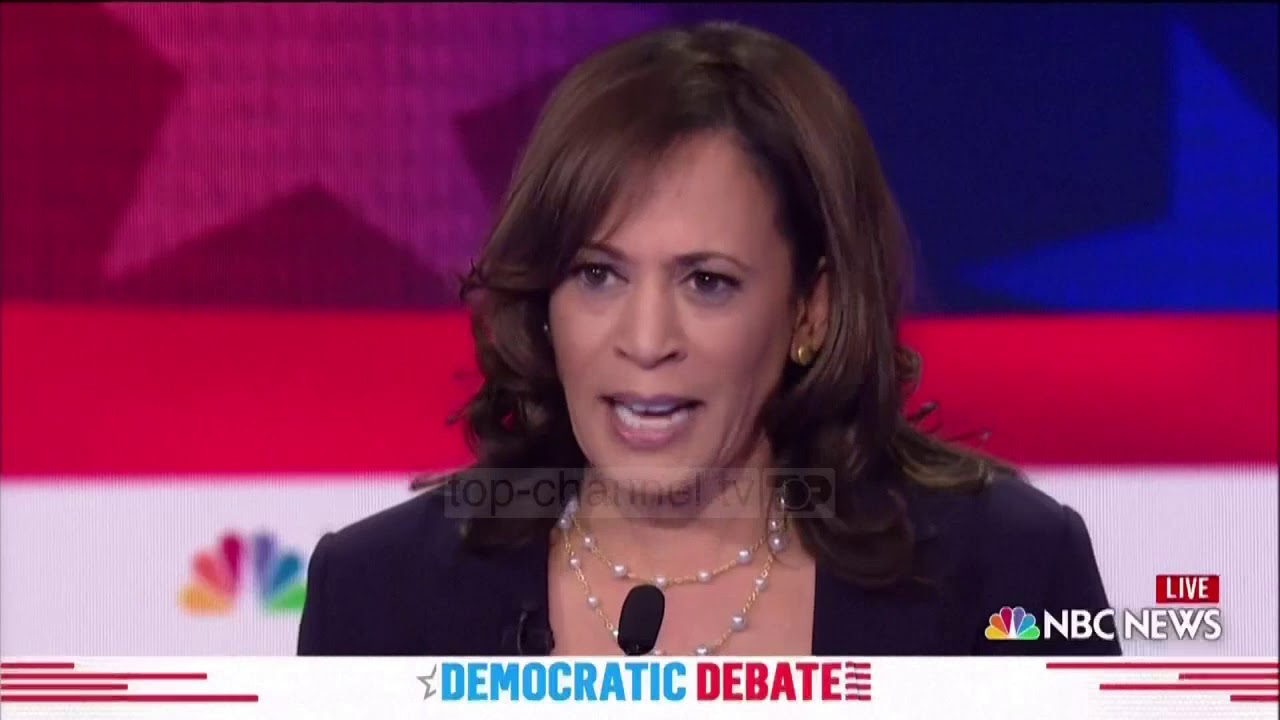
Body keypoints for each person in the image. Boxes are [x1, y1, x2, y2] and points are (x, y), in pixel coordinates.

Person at [297, 21, 1119, 657]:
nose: (646, 339)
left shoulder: (1004, 575)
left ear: (811, 310)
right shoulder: (379, 597)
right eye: (598, 274)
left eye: (708, 282)